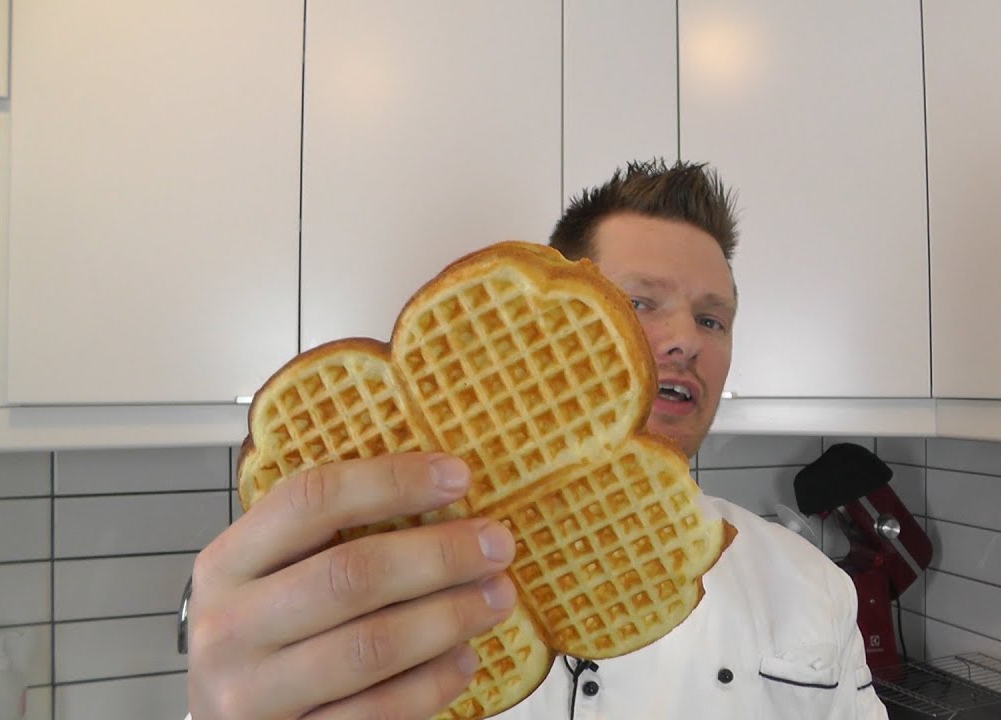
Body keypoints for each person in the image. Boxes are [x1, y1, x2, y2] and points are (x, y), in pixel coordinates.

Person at [185, 160, 888, 719]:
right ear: (549, 323)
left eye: (712, 319)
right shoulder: (368, 587)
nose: (685, 340)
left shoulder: (812, 590)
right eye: (639, 302)